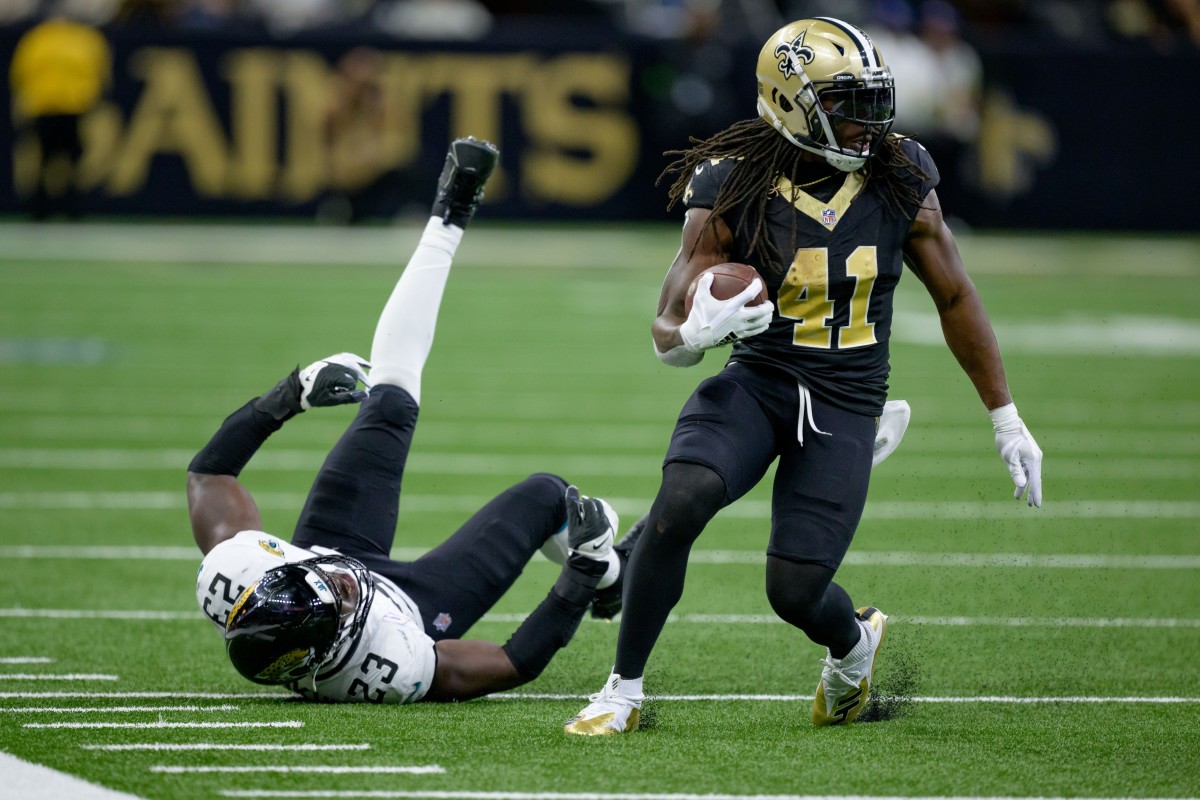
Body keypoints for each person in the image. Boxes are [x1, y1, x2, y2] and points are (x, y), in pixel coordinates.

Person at [564, 16, 1043, 735]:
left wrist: (1005, 416)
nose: (869, 125)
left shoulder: (901, 171)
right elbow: (667, 331)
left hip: (847, 400)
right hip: (760, 378)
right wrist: (696, 332)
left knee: (793, 590)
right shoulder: (733, 181)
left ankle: (853, 643)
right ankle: (623, 690)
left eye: (873, 102)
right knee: (681, 499)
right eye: (848, 107)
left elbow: (954, 294)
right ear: (793, 105)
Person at [188, 137, 642, 703]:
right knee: (549, 497)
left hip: (329, 540)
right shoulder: (384, 665)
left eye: (327, 583)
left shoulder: (238, 574)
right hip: (416, 605)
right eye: (341, 597)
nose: (345, 585)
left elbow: (209, 475)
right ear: (337, 640)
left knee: (391, 399)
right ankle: (611, 579)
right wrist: (579, 574)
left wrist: (287, 397)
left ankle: (449, 213)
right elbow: (511, 662)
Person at [8, 8, 111, 220]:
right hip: (50, 107)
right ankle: (46, 209)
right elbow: (21, 74)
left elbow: (98, 73)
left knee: (67, 160)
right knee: (49, 160)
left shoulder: (41, 39)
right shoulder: (44, 39)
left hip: (67, 108)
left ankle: (64, 208)